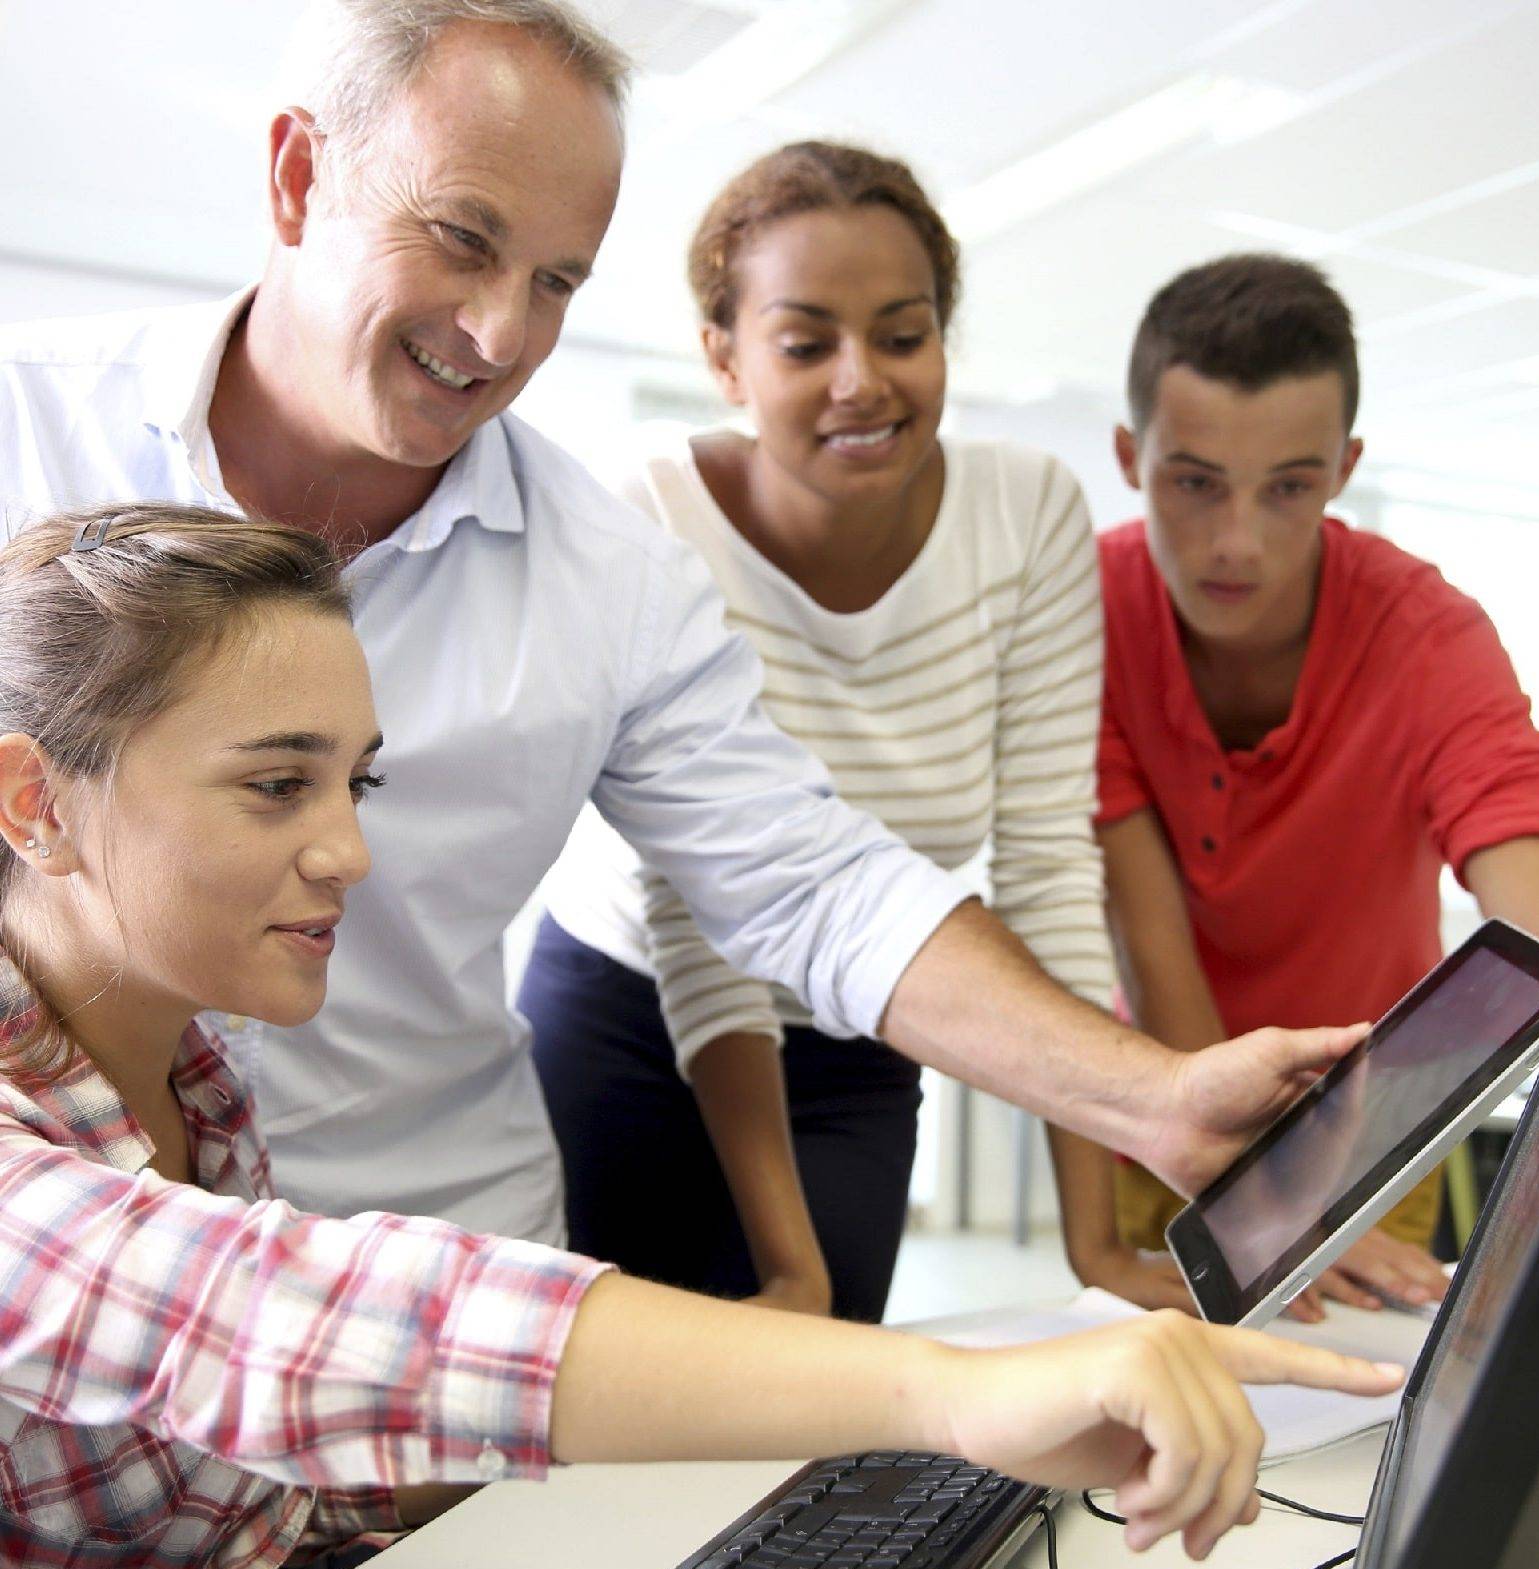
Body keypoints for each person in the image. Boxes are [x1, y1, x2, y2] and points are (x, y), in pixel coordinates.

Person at [0, 2, 1367, 1253]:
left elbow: (811, 879)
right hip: (61, 1249)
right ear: (299, 178)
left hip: (427, 1263)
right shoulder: (25, 435)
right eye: (464, 240)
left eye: (555, 283)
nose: (495, 332)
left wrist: (1156, 1097)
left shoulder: (605, 574)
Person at [0, 503, 1402, 1569]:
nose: (350, 851)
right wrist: (945, 1391)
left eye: (352, 783)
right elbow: (282, 1320)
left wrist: (697, 1467)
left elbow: (245, 1472)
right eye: (273, 784)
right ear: (33, 801)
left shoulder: (188, 1072)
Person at [523, 141, 1120, 1322]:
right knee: (617, 1413)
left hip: (866, 1018)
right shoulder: (649, 519)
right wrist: (783, 1261)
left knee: (819, 1407)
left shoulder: (1030, 513)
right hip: (629, 1011)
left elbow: (1048, 868)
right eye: (805, 344)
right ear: (725, 360)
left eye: (901, 335)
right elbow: (696, 906)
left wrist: (1094, 1241)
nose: (861, 381)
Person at [1086, 254, 1539, 1317]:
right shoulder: (1083, 608)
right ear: (1131, 456)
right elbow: (1150, 934)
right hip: (1166, 1114)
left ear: (1343, 465)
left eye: (1288, 487)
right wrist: (1252, 1187)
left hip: (1374, 1135)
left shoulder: (1425, 633)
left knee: (1352, 1420)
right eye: (1193, 482)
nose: (1238, 541)